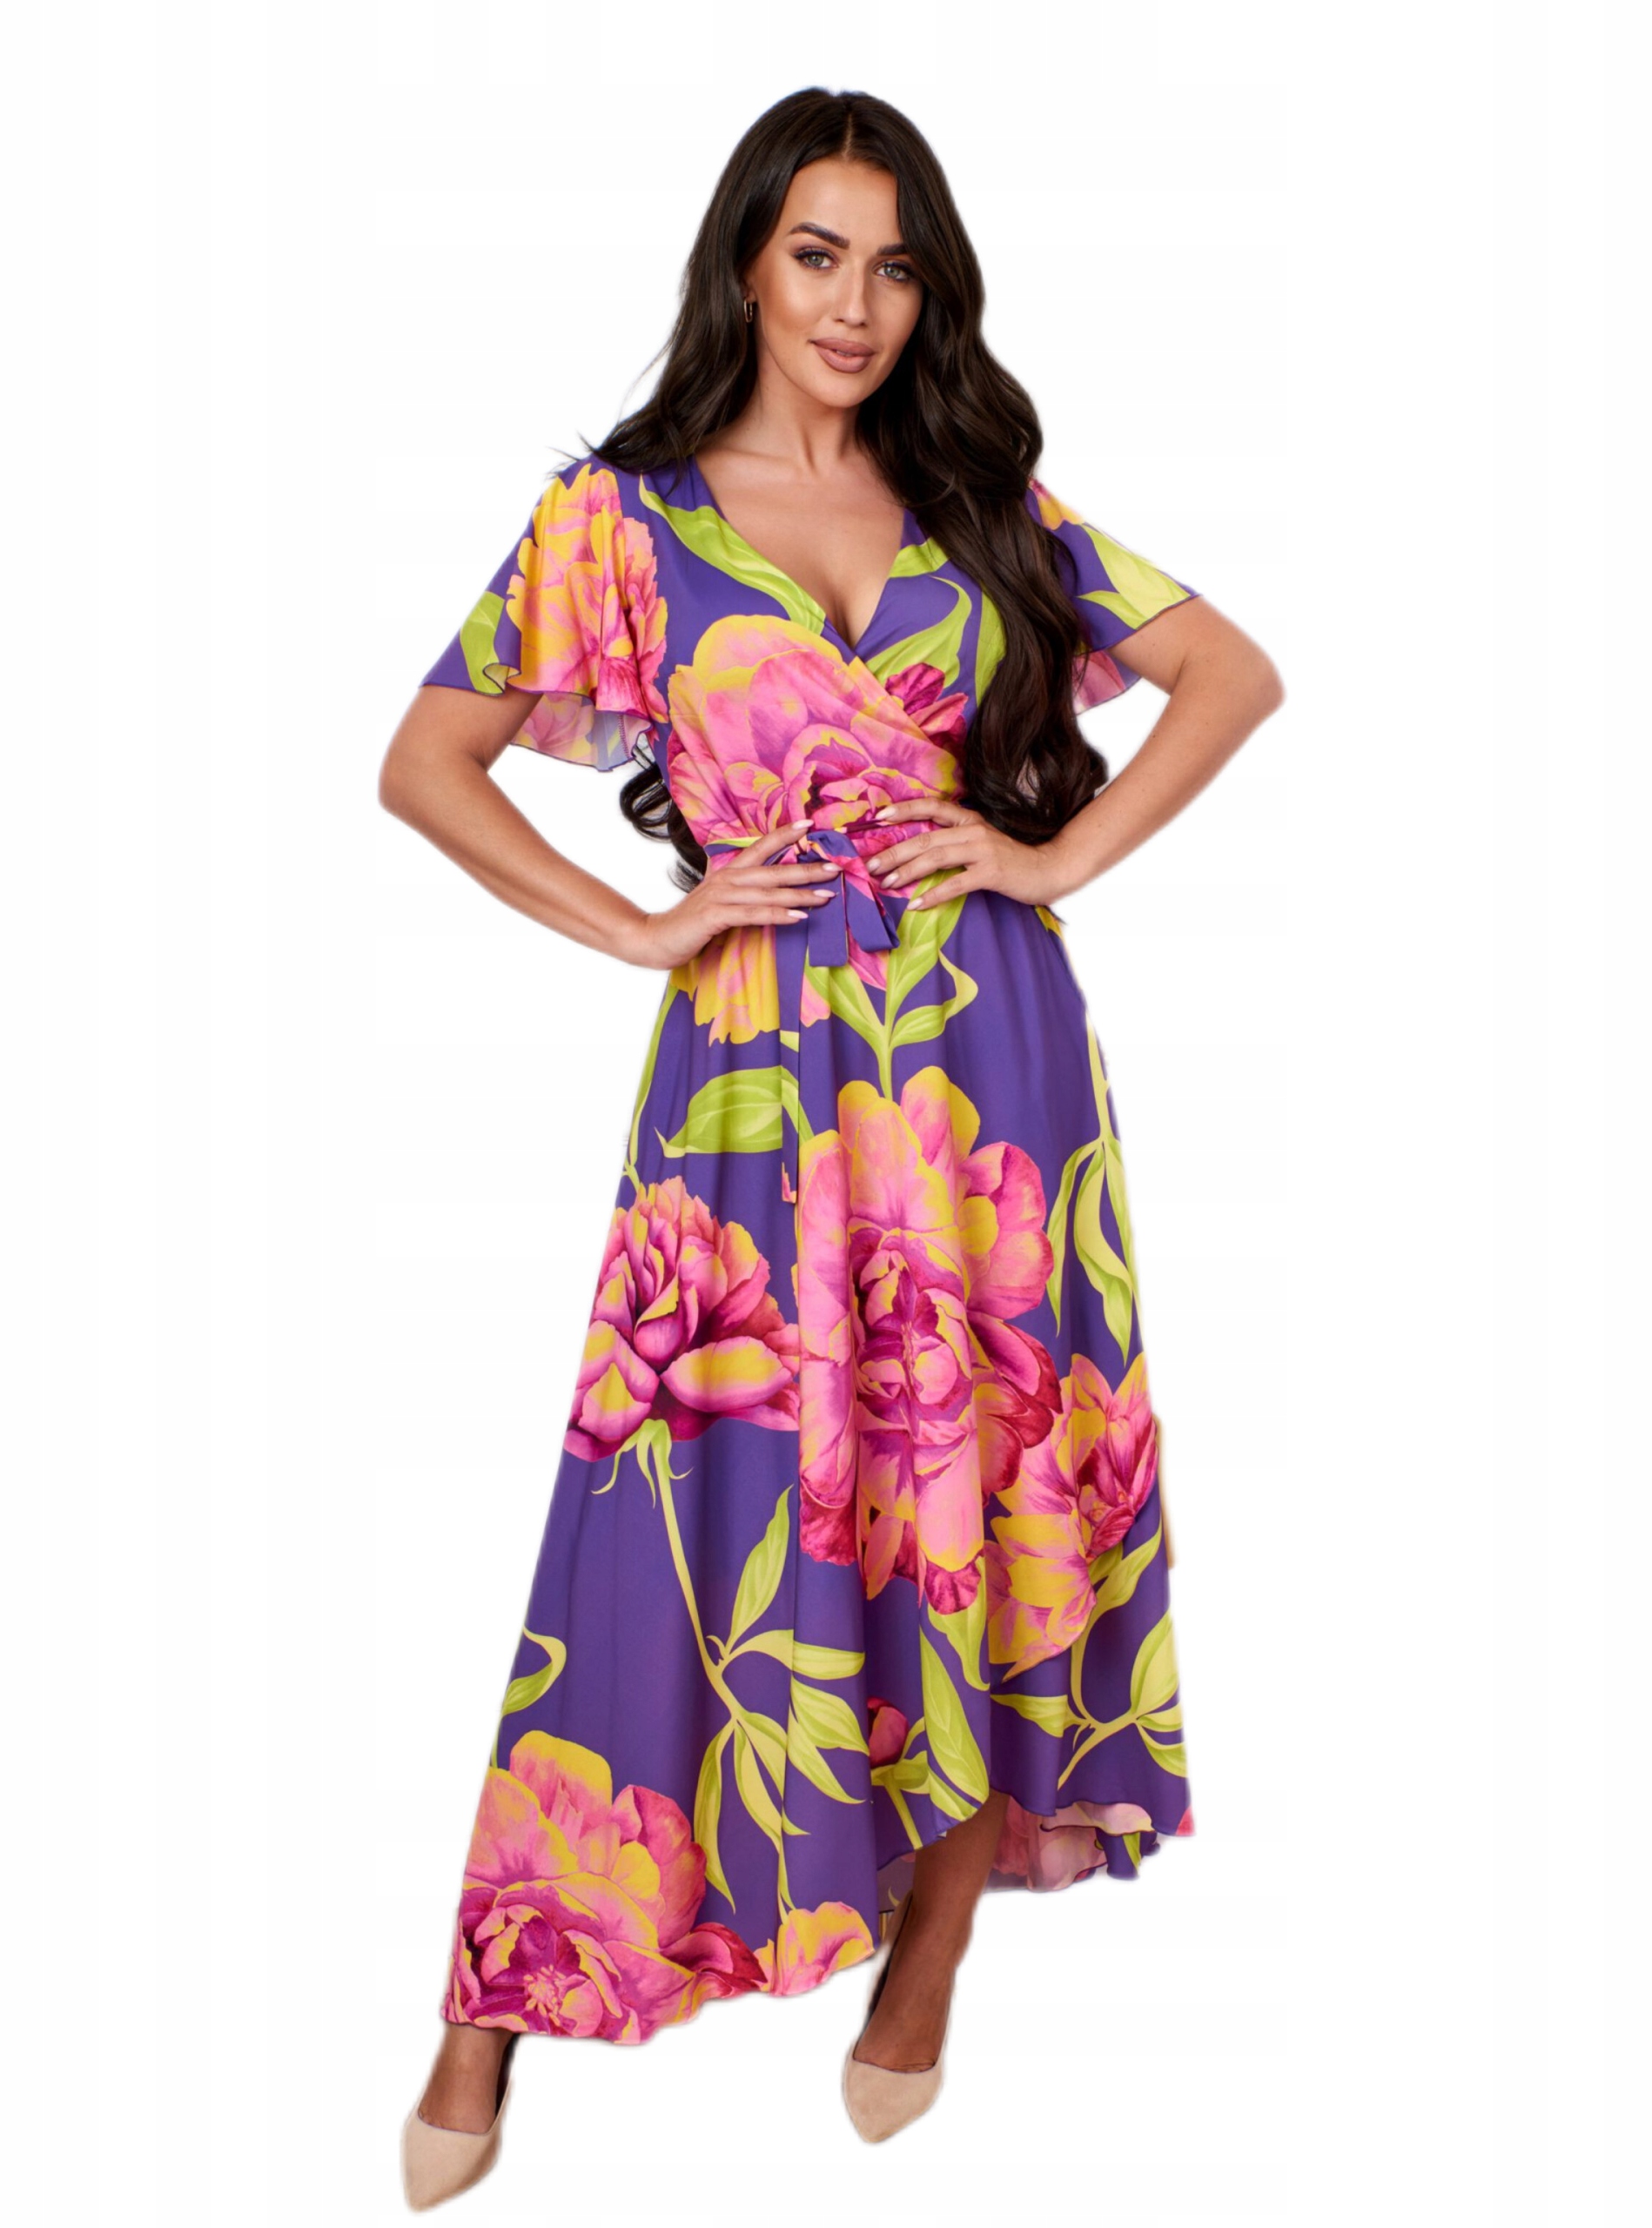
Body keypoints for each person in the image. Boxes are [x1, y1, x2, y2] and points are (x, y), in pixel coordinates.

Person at [377, 84, 1284, 2208]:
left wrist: (1049, 851)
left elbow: (1228, 673)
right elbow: (424, 758)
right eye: (816, 256)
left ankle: (930, 1946)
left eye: (893, 265)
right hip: (751, 1086)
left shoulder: (982, 501)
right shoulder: (618, 519)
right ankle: (490, 2000)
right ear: (745, 263)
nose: (855, 305)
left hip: (988, 1080)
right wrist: (640, 926)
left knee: (987, 1487)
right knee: (662, 1508)